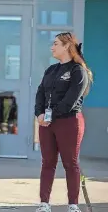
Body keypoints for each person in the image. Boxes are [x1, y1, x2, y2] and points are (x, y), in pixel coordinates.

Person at [34, 32, 93, 212]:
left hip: (69, 122)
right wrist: (40, 114)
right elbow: (40, 93)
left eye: (55, 44)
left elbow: (71, 100)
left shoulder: (78, 70)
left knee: (70, 162)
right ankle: (44, 203)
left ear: (67, 46)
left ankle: (73, 205)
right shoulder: (51, 70)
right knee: (47, 162)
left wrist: (51, 115)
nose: (52, 47)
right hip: (47, 123)